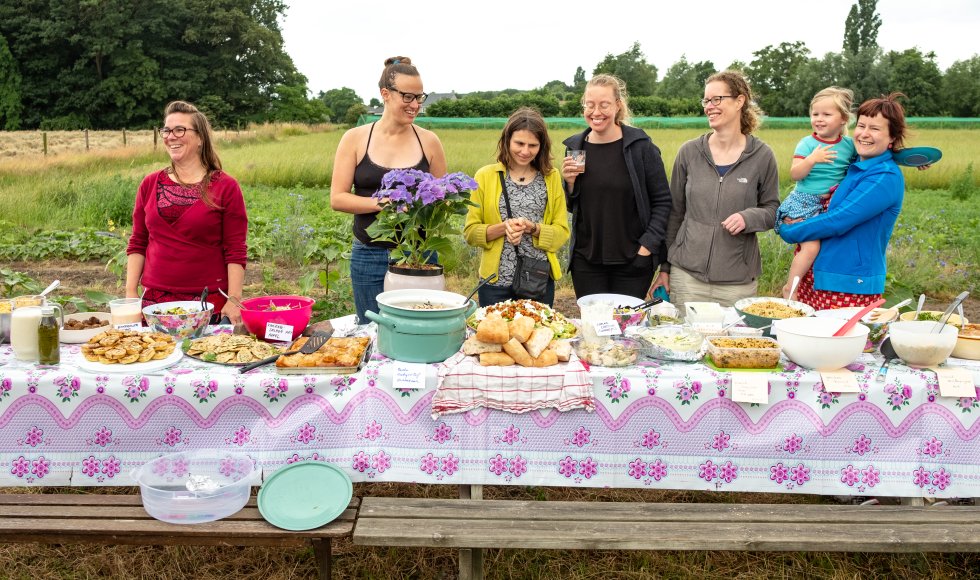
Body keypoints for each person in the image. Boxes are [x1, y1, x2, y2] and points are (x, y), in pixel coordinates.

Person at [330, 56, 447, 321]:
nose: (415, 105)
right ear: (386, 94)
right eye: (407, 97)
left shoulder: (429, 141)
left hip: (417, 252)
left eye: (420, 97)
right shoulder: (355, 138)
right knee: (371, 327)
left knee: (418, 325)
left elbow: (445, 196)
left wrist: (431, 205)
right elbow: (338, 198)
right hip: (369, 252)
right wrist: (384, 203)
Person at [652, 70, 780, 309]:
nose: (709, 106)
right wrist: (665, 268)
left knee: (731, 345)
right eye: (706, 101)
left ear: (740, 101)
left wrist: (748, 217)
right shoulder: (689, 152)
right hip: (687, 278)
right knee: (684, 343)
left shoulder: (762, 156)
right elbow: (674, 214)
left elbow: (772, 209)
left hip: (737, 284)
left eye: (717, 99)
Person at [778, 93, 908, 310]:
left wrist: (789, 231)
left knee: (836, 342)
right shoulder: (856, 164)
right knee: (809, 341)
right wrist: (907, 156)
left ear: (892, 137)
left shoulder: (884, 176)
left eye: (875, 129)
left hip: (848, 282)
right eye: (862, 126)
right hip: (821, 275)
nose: (864, 134)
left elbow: (839, 219)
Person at [126, 100, 247, 324]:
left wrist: (234, 298)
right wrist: (131, 292)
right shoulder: (150, 184)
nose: (171, 136)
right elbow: (138, 241)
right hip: (154, 303)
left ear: (200, 137)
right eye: (167, 130)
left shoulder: (225, 186)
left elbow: (235, 248)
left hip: (207, 303)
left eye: (180, 129)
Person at [560, 74, 672, 300]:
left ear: (618, 105)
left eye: (604, 104)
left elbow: (663, 202)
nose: (596, 112)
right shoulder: (575, 148)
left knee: (626, 329)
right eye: (589, 105)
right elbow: (575, 207)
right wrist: (569, 184)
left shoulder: (641, 148)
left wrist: (647, 247)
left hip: (633, 261)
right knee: (593, 330)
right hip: (587, 261)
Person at [464, 107, 570, 307]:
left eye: (533, 145)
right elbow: (470, 233)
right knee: (494, 337)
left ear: (542, 146)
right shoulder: (485, 176)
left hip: (538, 280)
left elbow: (562, 233)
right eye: (519, 143)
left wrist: (533, 228)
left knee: (538, 336)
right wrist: (504, 228)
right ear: (507, 140)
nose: (525, 151)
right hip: (495, 282)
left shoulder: (551, 177)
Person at [776, 87, 856, 298]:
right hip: (803, 202)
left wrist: (913, 160)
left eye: (826, 114)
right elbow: (795, 174)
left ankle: (819, 292)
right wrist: (812, 159)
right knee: (810, 248)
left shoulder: (850, 145)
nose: (819, 119)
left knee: (827, 249)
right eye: (815, 114)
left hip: (829, 205)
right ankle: (790, 288)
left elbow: (873, 155)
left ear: (843, 119)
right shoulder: (808, 143)